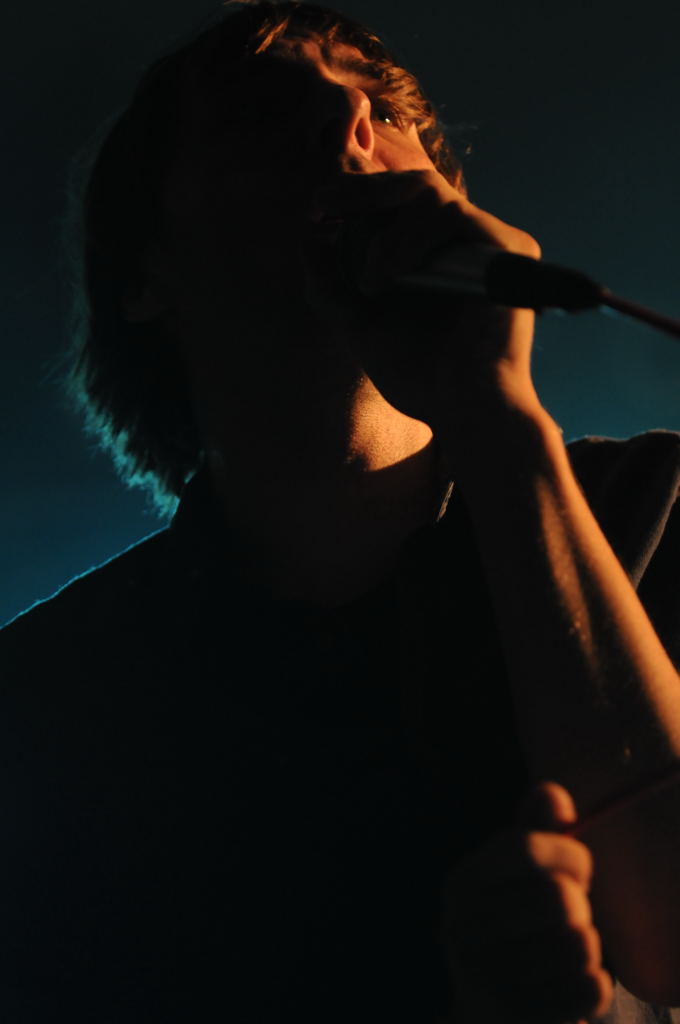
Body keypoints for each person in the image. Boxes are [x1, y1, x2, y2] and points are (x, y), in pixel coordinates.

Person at [2, 2, 680, 1021]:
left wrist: (496, 419)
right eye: (258, 110)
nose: (344, 114)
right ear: (142, 272)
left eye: (385, 106)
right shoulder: (42, 701)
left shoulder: (660, 505)